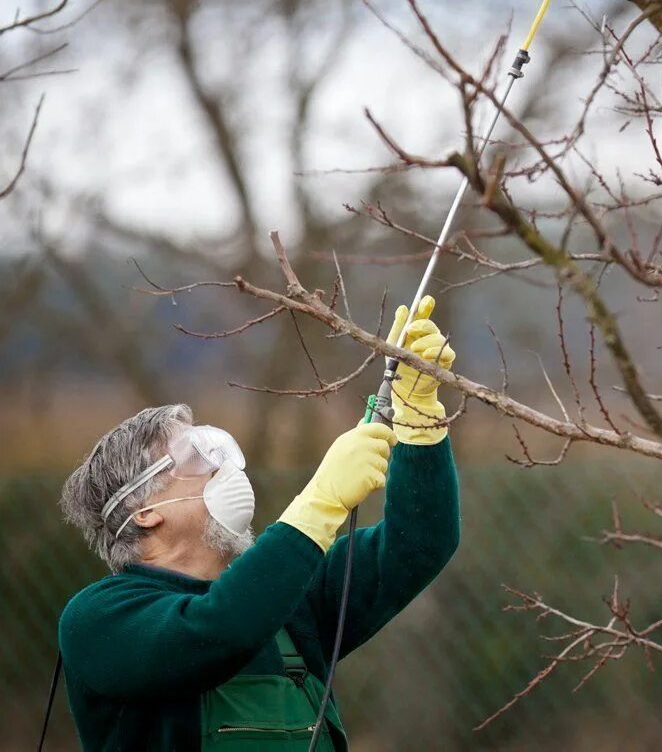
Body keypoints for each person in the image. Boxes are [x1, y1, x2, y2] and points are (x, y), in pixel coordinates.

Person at [58, 297, 459, 751]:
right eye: (195, 459)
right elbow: (218, 631)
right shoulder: (99, 618)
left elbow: (419, 544)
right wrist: (320, 502)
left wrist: (419, 417)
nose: (222, 468)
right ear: (143, 510)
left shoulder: (294, 601)